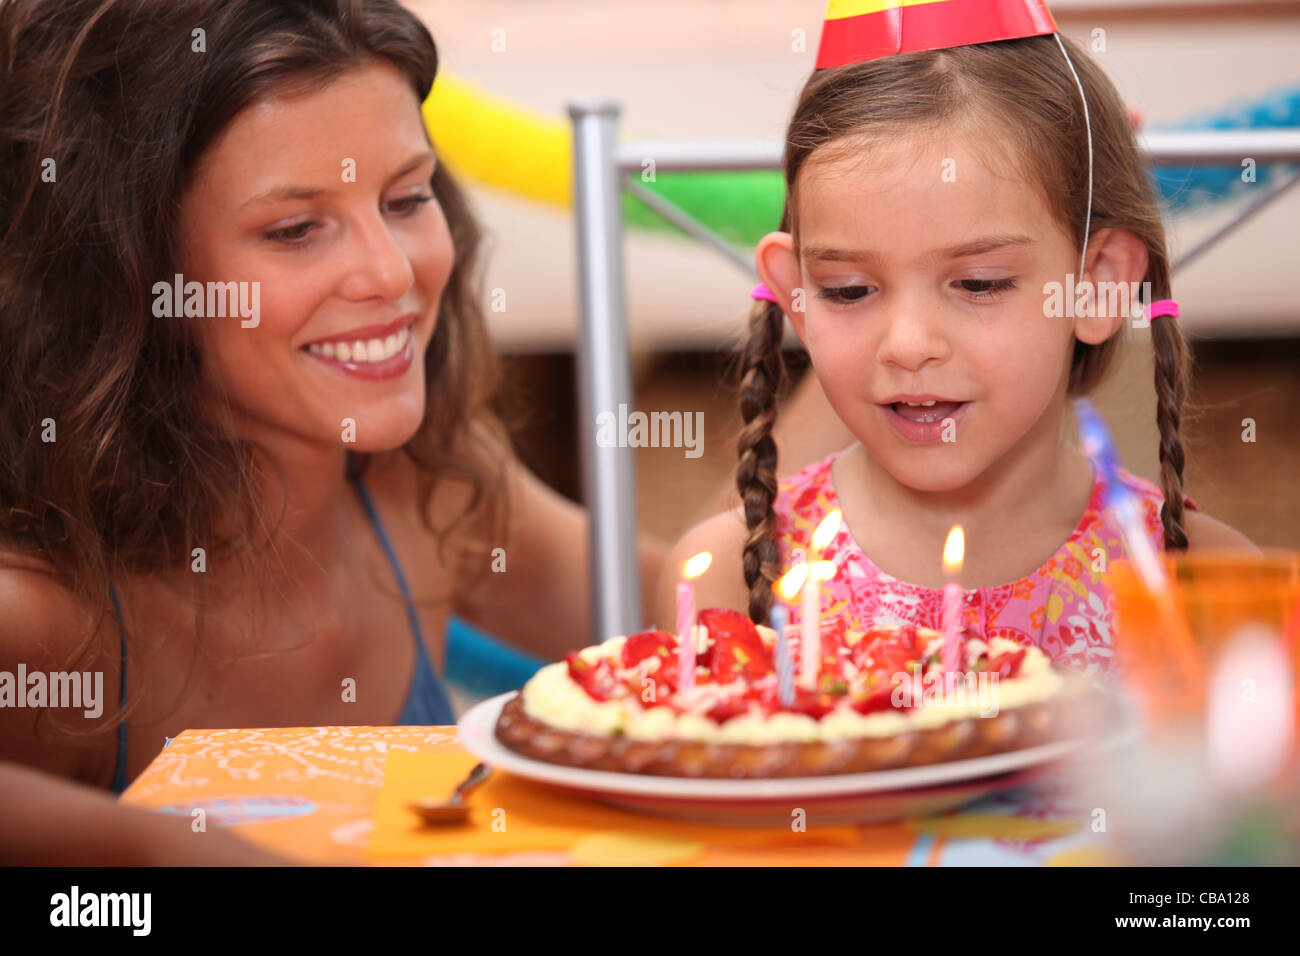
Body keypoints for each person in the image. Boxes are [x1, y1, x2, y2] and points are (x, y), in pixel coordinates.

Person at [0, 0, 666, 801]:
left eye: (406, 199)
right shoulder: (39, 623)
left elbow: (716, 611)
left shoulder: (430, 487)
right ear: (132, 279)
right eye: (295, 230)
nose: (391, 273)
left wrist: (823, 326)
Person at [660, 7, 1256, 676]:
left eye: (978, 283)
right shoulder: (723, 584)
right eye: (849, 290)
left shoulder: (1207, 583)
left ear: (1098, 284)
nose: (909, 345)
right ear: (794, 294)